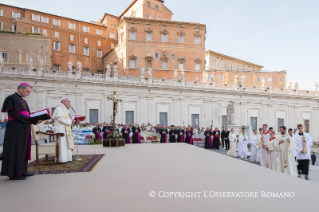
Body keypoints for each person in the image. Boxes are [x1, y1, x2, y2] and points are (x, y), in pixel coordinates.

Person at [1, 83, 41, 180]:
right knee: (16, 149)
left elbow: (28, 114)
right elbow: (14, 114)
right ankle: (14, 173)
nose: (28, 94)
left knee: (23, 149)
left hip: (23, 127)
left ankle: (22, 171)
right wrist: (30, 120)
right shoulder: (11, 98)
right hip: (15, 128)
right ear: (20, 89)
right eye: (27, 91)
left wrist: (35, 119)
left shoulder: (22, 100)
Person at [53, 97, 75, 163]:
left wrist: (71, 121)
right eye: (68, 102)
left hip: (65, 129)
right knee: (63, 144)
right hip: (61, 130)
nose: (69, 103)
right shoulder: (59, 108)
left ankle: (67, 158)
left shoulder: (64, 109)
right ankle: (62, 159)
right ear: (63, 102)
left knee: (67, 144)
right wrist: (70, 122)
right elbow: (60, 119)